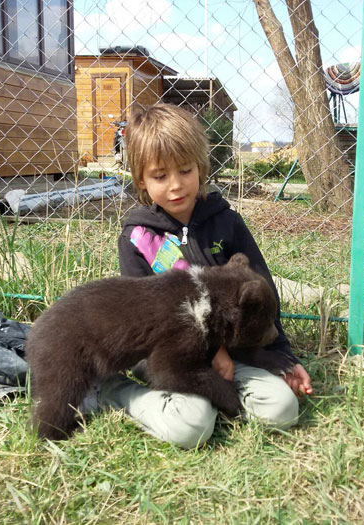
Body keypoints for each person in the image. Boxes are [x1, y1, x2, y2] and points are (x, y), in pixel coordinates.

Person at [83, 103, 312, 448]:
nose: (175, 185)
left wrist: (282, 357)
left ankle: (220, 393)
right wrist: (211, 353)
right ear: (141, 179)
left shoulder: (226, 222)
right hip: (169, 357)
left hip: (234, 353)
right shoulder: (137, 238)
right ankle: (119, 392)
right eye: (160, 176)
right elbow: (148, 321)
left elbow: (261, 297)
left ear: (201, 167)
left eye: (185, 170)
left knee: (283, 408)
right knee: (192, 427)